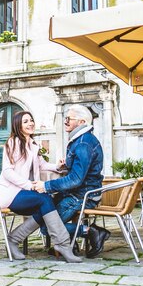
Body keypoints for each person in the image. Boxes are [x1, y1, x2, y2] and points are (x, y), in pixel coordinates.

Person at [0, 110, 82, 263]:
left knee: (44, 207)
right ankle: (63, 245)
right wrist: (29, 185)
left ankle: (13, 239)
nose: (30, 123)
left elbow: (42, 164)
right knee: (45, 199)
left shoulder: (31, 144)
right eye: (25, 121)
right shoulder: (13, 142)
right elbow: (7, 172)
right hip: (10, 194)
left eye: (31, 120)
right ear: (18, 125)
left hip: (23, 194)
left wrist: (58, 167)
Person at [32, 104, 110, 258]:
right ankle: (70, 245)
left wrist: (46, 186)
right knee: (45, 215)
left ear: (81, 122)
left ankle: (93, 232)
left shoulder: (83, 143)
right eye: (65, 118)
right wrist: (66, 166)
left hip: (81, 196)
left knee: (47, 227)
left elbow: (76, 179)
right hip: (76, 194)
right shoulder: (80, 140)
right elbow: (79, 172)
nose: (65, 121)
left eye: (69, 118)